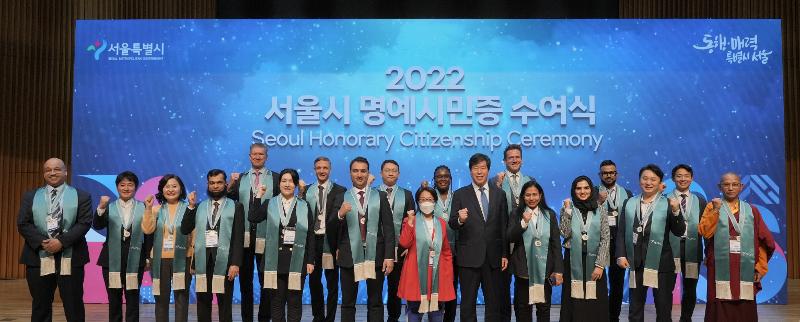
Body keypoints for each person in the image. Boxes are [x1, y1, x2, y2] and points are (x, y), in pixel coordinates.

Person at [17, 158, 92, 322]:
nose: (52, 173)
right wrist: (43, 242)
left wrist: (61, 242)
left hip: (72, 257)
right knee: (40, 305)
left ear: (65, 172)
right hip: (38, 257)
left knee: (73, 306)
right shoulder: (31, 196)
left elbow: (84, 223)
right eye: (48, 170)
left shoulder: (82, 196)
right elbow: (23, 223)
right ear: (44, 174)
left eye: (57, 169)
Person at [698, 172, 776, 322]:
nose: (730, 188)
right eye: (726, 184)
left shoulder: (752, 211)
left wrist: (760, 267)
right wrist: (716, 210)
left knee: (744, 305)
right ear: (719, 187)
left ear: (741, 187)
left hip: (744, 265)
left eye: (735, 184)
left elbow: (763, 242)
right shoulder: (712, 206)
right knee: (719, 302)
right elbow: (705, 233)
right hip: (719, 266)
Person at [615, 164, 685, 322]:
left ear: (660, 182)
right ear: (639, 180)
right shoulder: (629, 203)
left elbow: (679, 231)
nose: (648, 182)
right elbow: (621, 231)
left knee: (663, 308)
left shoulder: (668, 203)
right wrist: (620, 255)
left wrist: (676, 211)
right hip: (636, 263)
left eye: (653, 179)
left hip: (662, 264)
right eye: (645, 178)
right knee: (635, 309)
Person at [448, 153, 509, 322]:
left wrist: (504, 253)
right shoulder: (460, 194)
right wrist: (460, 220)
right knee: (467, 304)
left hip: (493, 258)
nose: (479, 172)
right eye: (476, 168)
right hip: (468, 258)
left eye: (483, 168)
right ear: (470, 171)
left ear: (488, 170)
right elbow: (452, 223)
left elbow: (503, 226)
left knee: (494, 303)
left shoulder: (500, 194)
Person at [250, 169, 316, 322]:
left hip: (297, 259)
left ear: (296, 185)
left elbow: (310, 234)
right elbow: (253, 217)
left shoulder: (304, 205)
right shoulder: (270, 203)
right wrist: (258, 195)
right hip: (274, 260)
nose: (287, 184)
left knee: (295, 301)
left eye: (291, 181)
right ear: (279, 184)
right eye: (284, 181)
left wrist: (310, 260)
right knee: (276, 302)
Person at [336, 156, 395, 322]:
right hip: (349, 255)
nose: (359, 174)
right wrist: (340, 214)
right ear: (350, 173)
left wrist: (389, 256)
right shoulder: (341, 197)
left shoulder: (380, 196)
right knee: (348, 303)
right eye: (355, 171)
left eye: (363, 171)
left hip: (375, 255)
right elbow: (332, 227)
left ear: (368, 173)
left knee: (375, 302)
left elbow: (389, 228)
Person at [181, 169, 245, 322]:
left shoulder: (236, 206)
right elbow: (185, 229)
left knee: (225, 303)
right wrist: (190, 206)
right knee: (202, 302)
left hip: (225, 262)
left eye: (219, 183)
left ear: (225, 184)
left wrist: (235, 263)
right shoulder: (199, 206)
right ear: (208, 184)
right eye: (212, 183)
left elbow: (238, 237)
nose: (215, 186)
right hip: (203, 261)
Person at [227, 143, 280, 322]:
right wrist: (231, 183)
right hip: (244, 236)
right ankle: (247, 319)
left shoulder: (276, 178)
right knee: (245, 283)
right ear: (250, 156)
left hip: (268, 236)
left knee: (267, 282)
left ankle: (264, 318)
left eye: (261, 154)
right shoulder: (240, 178)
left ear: (266, 157)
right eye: (254, 154)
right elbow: (229, 200)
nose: (257, 157)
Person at [93, 171, 154, 322]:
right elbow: (98, 225)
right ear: (117, 187)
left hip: (136, 258)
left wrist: (148, 257)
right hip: (111, 259)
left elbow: (148, 235)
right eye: (122, 185)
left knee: (133, 297)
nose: (126, 188)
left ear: (135, 187)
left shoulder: (144, 207)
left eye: (130, 185)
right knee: (113, 298)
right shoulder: (109, 207)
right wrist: (101, 207)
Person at [397, 186, 456, 322]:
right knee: (414, 313)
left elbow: (446, 251)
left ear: (435, 201)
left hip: (437, 274)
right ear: (418, 202)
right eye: (422, 199)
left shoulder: (441, 223)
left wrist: (448, 273)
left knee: (436, 314)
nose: (426, 203)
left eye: (429, 199)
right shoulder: (410, 221)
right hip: (416, 273)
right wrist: (410, 223)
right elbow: (404, 243)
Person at [506, 180, 563, 321]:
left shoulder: (549, 215)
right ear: (523, 197)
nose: (531, 198)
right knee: (523, 309)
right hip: (523, 271)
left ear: (540, 195)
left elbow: (556, 244)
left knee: (544, 308)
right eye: (527, 195)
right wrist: (523, 223)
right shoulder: (516, 214)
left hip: (545, 270)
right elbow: (510, 237)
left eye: (534, 194)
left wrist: (558, 270)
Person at [142, 174, 193, 322]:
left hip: (183, 258)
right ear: (162, 189)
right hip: (160, 259)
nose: (171, 189)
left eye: (174, 186)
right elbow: (147, 230)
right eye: (167, 186)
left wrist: (193, 259)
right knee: (161, 299)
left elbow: (194, 236)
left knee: (182, 298)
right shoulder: (155, 209)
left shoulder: (189, 208)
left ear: (181, 189)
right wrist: (148, 208)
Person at [559, 175, 610, 322]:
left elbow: (605, 238)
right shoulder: (567, 208)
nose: (582, 191)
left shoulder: (600, 209)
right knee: (573, 300)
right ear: (573, 190)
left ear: (591, 189)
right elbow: (565, 233)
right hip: (572, 260)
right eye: (578, 188)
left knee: (596, 301)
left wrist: (600, 265)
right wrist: (567, 211)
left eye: (586, 188)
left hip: (595, 261)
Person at [491, 144, 533, 320]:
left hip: (524, 238)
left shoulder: (530, 181)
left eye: (517, 157)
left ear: (522, 160)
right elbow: (491, 210)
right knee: (502, 286)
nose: (514, 160)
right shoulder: (494, 181)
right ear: (504, 161)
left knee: (523, 284)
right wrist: (497, 186)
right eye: (510, 158)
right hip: (502, 239)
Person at [302, 157, 346, 322]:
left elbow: (342, 222)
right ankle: (318, 316)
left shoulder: (340, 190)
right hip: (313, 241)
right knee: (314, 282)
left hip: (331, 242)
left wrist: (340, 245)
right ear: (314, 170)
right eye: (318, 168)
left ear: (330, 169)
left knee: (332, 284)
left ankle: (330, 318)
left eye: (325, 168)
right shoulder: (307, 190)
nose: (322, 170)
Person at [668, 164, 707, 322]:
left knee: (690, 288)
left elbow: (706, 227)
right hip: (670, 250)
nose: (682, 179)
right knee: (667, 288)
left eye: (686, 176)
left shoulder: (700, 200)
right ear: (673, 178)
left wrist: (708, 252)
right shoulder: (665, 199)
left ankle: (686, 318)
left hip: (693, 250)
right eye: (679, 176)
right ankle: (665, 318)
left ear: (692, 178)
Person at [378, 159, 415, 322]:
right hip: (377, 247)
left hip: (400, 248)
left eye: (394, 170)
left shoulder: (406, 194)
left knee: (395, 287)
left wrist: (409, 245)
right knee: (376, 287)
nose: (391, 173)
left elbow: (412, 221)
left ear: (398, 174)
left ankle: (393, 318)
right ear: (381, 173)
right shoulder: (373, 193)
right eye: (387, 170)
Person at [595, 160, 632, 322]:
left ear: (616, 174)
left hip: (619, 244)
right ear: (600, 175)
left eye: (611, 172)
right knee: (598, 282)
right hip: (598, 243)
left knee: (617, 284)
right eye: (605, 173)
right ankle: (598, 316)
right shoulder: (592, 191)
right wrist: (598, 202)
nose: (608, 175)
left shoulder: (627, 193)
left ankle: (613, 317)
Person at [430, 165, 459, 322]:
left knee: (452, 290)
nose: (443, 179)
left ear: (450, 178)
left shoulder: (458, 197)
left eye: (446, 176)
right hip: (434, 253)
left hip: (455, 253)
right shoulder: (428, 197)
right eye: (439, 176)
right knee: (434, 290)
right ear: (434, 179)